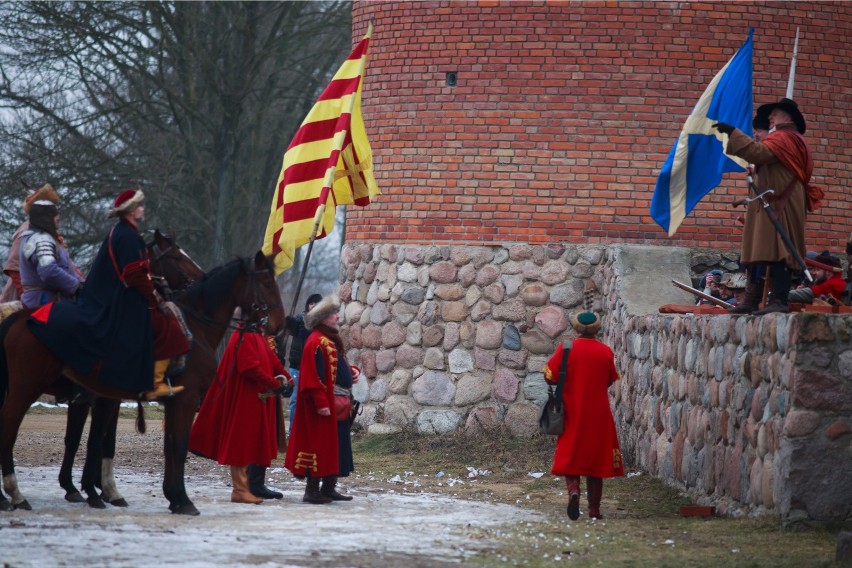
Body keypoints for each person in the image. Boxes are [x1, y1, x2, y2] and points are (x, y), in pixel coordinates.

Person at [28, 189, 187, 400]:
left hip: (108, 295)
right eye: (139, 206)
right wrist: (153, 300)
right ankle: (154, 383)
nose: (142, 209)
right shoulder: (129, 236)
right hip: (117, 301)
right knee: (167, 325)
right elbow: (134, 275)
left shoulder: (121, 232)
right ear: (130, 211)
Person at [713, 98, 821, 315]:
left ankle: (778, 300)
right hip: (770, 203)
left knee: (780, 251)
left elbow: (758, 153)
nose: (770, 117)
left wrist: (733, 133)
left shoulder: (786, 137)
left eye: (776, 113)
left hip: (781, 204)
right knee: (761, 252)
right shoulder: (784, 138)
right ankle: (752, 300)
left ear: (788, 118)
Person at [189, 318, 292, 504]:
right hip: (244, 397)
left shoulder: (257, 333)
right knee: (241, 443)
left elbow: (271, 360)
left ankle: (250, 487)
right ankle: (240, 490)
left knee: (253, 441)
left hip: (256, 398)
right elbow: (248, 366)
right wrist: (274, 383)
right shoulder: (243, 334)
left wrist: (286, 378)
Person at [543, 310, 624, 520]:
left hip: (572, 411)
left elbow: (549, 376)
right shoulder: (605, 351)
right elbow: (610, 379)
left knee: (572, 455)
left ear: (576, 328)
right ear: (597, 328)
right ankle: (594, 510)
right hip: (599, 414)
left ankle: (574, 491)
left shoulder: (566, 348)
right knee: (596, 461)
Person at [285, 294, 357, 504]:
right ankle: (312, 491)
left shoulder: (330, 340)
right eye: (333, 314)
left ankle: (329, 488)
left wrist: (350, 371)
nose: (337, 317)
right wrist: (321, 403)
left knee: (336, 445)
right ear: (323, 318)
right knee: (318, 446)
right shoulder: (316, 342)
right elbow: (312, 377)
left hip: (339, 403)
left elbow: (334, 367)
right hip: (323, 405)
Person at [1, 183, 62, 303]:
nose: (57, 216)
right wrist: (27, 299)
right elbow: (14, 267)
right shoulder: (26, 231)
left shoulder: (49, 232)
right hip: (28, 299)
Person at [19, 199, 83, 309]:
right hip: (46, 303)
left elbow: (65, 268)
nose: (57, 219)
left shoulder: (33, 237)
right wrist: (75, 286)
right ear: (46, 218)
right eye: (54, 215)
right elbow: (48, 270)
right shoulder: (41, 239)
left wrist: (83, 284)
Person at [283, 293, 322, 431]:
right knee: (295, 400)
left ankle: (309, 430)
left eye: (316, 303)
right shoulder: (299, 320)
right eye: (311, 303)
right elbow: (292, 329)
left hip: (315, 368)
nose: (313, 305)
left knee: (313, 400)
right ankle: (293, 430)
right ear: (307, 305)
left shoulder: (322, 323)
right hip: (297, 366)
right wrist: (289, 322)